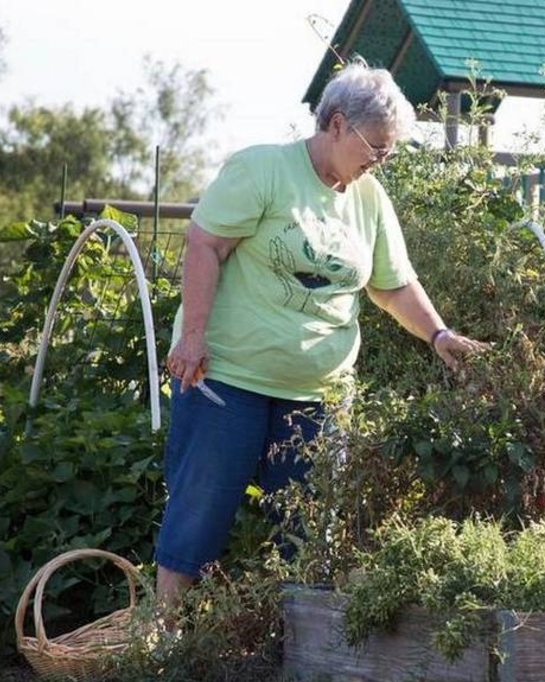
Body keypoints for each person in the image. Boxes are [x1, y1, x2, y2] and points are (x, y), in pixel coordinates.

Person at [155, 61, 488, 611]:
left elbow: (392, 284)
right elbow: (203, 246)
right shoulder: (262, 171)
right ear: (336, 124)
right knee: (200, 508)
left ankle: (301, 646)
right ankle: (162, 635)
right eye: (374, 146)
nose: (380, 160)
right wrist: (191, 336)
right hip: (226, 378)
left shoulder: (369, 199)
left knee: (309, 530)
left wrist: (438, 334)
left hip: (318, 394)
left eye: (389, 151)